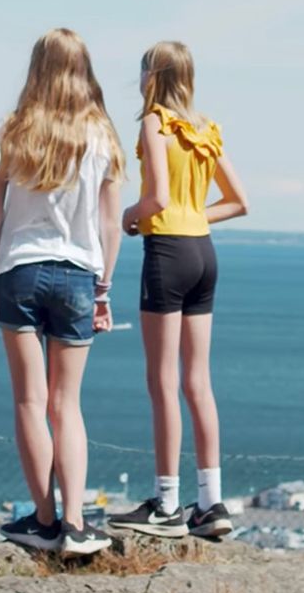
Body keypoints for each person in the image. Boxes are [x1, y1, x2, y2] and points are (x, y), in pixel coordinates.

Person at [0, 29, 124, 556]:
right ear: (85, 71)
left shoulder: (12, 130)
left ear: (36, 69)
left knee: (30, 402)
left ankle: (42, 518)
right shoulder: (102, 135)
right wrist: (103, 291)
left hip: (18, 271)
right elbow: (111, 225)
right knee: (67, 405)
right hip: (80, 275)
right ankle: (76, 524)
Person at [105, 41, 250, 540]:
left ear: (152, 75)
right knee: (198, 383)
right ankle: (211, 504)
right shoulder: (206, 130)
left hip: (167, 253)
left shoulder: (155, 123)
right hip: (204, 254)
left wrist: (131, 215)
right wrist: (190, 217)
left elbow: (157, 197)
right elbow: (238, 202)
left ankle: (166, 502)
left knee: (162, 382)